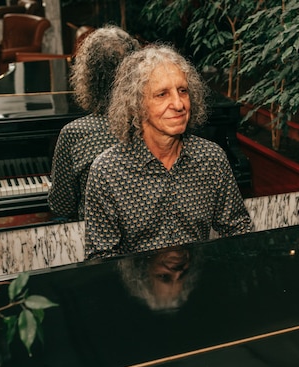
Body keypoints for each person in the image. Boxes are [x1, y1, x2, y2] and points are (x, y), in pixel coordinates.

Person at [84, 44, 253, 259]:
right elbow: (101, 257)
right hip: (138, 289)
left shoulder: (211, 158)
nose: (178, 103)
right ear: (136, 104)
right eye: (162, 94)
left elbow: (238, 229)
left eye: (183, 91)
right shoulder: (108, 171)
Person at [48, 25, 140, 220]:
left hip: (97, 235)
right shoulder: (154, 124)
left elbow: (61, 205)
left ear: (88, 76)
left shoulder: (75, 133)